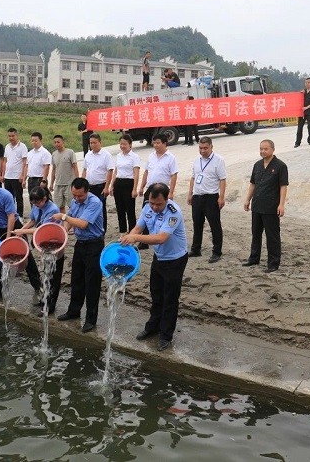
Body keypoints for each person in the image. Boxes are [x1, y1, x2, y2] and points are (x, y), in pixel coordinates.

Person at [120, 182, 188, 351]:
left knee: (170, 298)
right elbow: (138, 227)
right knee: (156, 294)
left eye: (159, 204)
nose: (155, 207)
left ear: (166, 199)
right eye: (152, 203)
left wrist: (135, 238)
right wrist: (129, 237)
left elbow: (160, 238)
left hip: (175, 260)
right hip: (159, 257)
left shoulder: (174, 212)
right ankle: (153, 327)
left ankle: (166, 335)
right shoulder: (147, 208)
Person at [0, 175, 42, 302]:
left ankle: (38, 286)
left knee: (25, 255)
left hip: (14, 227)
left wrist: (9, 237)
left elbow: (11, 216)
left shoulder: (5, 195)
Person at [53, 177, 105, 333]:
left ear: (87, 191)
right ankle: (73, 311)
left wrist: (63, 217)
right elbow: (70, 220)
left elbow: (82, 223)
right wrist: (63, 231)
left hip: (94, 245)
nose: (76, 198)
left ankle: (90, 319)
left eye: (80, 195)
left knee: (92, 283)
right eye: (74, 195)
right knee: (76, 279)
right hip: (80, 244)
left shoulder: (95, 202)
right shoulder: (75, 201)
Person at [13, 186, 65, 314]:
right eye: (33, 203)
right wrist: (21, 230)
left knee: (54, 275)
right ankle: (44, 299)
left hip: (54, 244)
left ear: (44, 198)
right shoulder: (36, 206)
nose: (36, 205)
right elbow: (33, 220)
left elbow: (43, 229)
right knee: (46, 272)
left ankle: (50, 305)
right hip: (43, 244)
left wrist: (23, 231)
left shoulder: (53, 209)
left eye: (38, 202)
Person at [243, 139, 288, 273]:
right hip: (257, 205)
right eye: (261, 149)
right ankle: (254, 258)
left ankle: (273, 263)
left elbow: (283, 186)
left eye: (266, 149)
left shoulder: (280, 166)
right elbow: (253, 184)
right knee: (256, 233)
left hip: (271, 206)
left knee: (272, 236)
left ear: (273, 149)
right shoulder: (257, 165)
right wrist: (247, 199)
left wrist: (281, 204)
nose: (263, 151)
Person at [187, 137, 226, 263]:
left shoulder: (218, 160)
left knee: (215, 225)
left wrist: (221, 197)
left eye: (205, 148)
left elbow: (222, 179)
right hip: (197, 196)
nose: (203, 151)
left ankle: (217, 251)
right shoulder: (196, 160)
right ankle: (196, 249)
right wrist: (190, 193)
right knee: (197, 223)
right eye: (200, 148)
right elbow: (193, 177)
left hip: (211, 197)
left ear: (211, 147)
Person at [82, 133, 114, 233]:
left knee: (100, 209)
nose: (92, 145)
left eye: (94, 143)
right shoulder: (88, 155)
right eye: (91, 143)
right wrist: (82, 183)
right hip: (89, 186)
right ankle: (91, 228)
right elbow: (84, 170)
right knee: (88, 207)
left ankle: (102, 230)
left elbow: (110, 171)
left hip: (100, 186)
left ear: (100, 142)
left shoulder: (106, 155)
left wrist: (106, 187)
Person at [110, 134, 141, 234]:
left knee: (130, 209)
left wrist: (134, 189)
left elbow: (136, 173)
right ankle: (122, 231)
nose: (122, 146)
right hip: (118, 183)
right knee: (120, 209)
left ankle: (132, 232)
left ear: (130, 145)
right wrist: (112, 185)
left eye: (125, 144)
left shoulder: (134, 157)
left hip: (129, 183)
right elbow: (116, 171)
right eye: (121, 144)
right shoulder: (119, 156)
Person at [0, 127, 28, 216]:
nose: (11, 138)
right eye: (9, 136)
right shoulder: (7, 146)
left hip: (17, 177)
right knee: (9, 198)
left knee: (19, 197)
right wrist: (3, 174)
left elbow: (24, 162)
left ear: (16, 135)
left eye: (13, 136)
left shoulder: (22, 146)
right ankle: (10, 215)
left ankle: (20, 216)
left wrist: (22, 176)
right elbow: (5, 161)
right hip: (8, 176)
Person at [50, 134, 79, 213]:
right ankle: (63, 220)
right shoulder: (54, 154)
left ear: (63, 142)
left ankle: (73, 220)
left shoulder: (70, 152)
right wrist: (51, 183)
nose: (57, 144)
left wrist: (77, 181)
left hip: (69, 184)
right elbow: (54, 169)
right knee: (59, 206)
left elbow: (75, 167)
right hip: (58, 184)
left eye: (58, 142)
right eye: (55, 142)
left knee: (72, 205)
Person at [295, 77, 310, 147]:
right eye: (306, 82)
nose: (307, 84)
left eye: (308, 82)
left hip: (309, 111)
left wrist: (307, 107)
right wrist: (300, 94)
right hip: (302, 112)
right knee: (299, 127)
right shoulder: (302, 92)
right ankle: (297, 142)